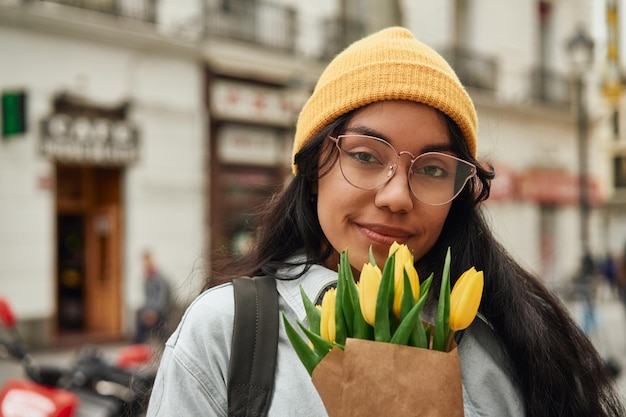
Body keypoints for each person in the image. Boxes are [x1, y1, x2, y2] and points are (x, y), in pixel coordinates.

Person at [146, 27, 624, 416]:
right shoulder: (226, 334)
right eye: (365, 156)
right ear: (313, 169)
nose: (396, 196)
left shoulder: (503, 344)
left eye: (434, 169)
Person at [134, 251, 170, 344]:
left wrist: (155, 311)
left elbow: (163, 296)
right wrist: (147, 310)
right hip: (150, 310)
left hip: (158, 311)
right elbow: (148, 297)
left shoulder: (158, 278)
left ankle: (167, 346)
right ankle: (138, 348)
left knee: (161, 331)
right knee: (141, 327)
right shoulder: (147, 278)